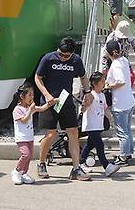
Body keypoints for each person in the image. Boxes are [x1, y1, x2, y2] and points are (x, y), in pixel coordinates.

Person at [34, 37, 93, 181]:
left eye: (67, 56)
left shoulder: (76, 60)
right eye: (61, 54)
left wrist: (87, 92)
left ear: (72, 53)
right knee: (51, 134)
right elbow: (38, 78)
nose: (63, 58)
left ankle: (76, 168)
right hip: (50, 102)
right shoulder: (48, 59)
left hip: (65, 101)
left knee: (73, 132)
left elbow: (84, 77)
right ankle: (41, 163)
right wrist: (47, 95)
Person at [79, 72, 120, 177]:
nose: (104, 83)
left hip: (98, 125)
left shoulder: (102, 95)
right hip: (91, 125)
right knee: (99, 145)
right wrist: (86, 105)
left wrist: (110, 119)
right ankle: (106, 166)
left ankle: (81, 162)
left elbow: (105, 108)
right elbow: (82, 110)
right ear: (94, 83)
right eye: (102, 81)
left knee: (90, 144)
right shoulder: (89, 95)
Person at [12, 83, 54, 185]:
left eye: (33, 94)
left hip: (29, 137)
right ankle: (17, 171)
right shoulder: (18, 110)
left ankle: (24, 173)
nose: (32, 97)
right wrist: (30, 110)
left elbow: (42, 108)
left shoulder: (29, 108)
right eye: (30, 95)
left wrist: (51, 103)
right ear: (22, 96)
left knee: (29, 156)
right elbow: (24, 120)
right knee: (26, 155)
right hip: (21, 138)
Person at [104, 40, 135, 166]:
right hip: (129, 101)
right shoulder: (124, 60)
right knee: (127, 130)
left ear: (109, 52)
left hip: (120, 104)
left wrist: (107, 87)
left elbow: (120, 81)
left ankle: (123, 158)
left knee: (122, 132)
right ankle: (128, 153)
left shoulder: (116, 64)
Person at [104, 21, 135, 86]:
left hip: (125, 61)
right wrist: (105, 66)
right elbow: (106, 50)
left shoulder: (129, 37)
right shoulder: (112, 36)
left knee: (131, 77)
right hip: (112, 61)